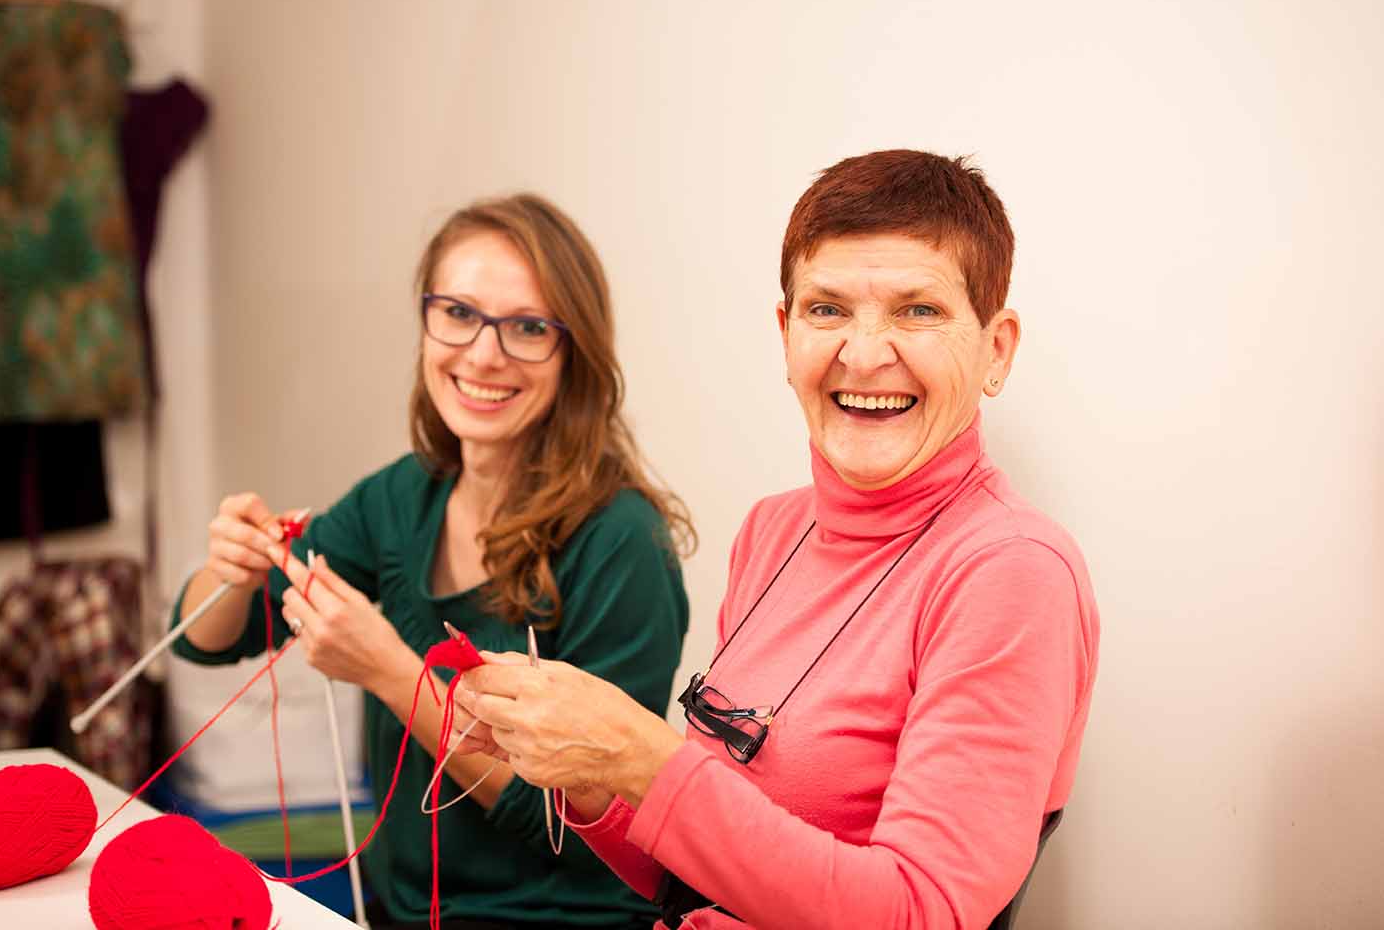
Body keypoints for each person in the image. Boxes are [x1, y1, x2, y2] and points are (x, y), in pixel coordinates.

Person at [455, 151, 1102, 930]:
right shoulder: (772, 530)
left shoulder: (1012, 572)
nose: (863, 354)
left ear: (996, 349)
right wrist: (585, 769)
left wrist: (641, 755)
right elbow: (693, 869)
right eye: (827, 310)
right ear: (785, 331)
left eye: (917, 311)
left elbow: (920, 912)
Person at [171, 193, 694, 930]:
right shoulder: (403, 498)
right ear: (426, 322)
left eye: (527, 328)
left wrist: (388, 670)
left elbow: (562, 819)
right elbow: (206, 636)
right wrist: (234, 569)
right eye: (458, 313)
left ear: (573, 352)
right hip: (400, 910)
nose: (484, 353)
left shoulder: (621, 544)